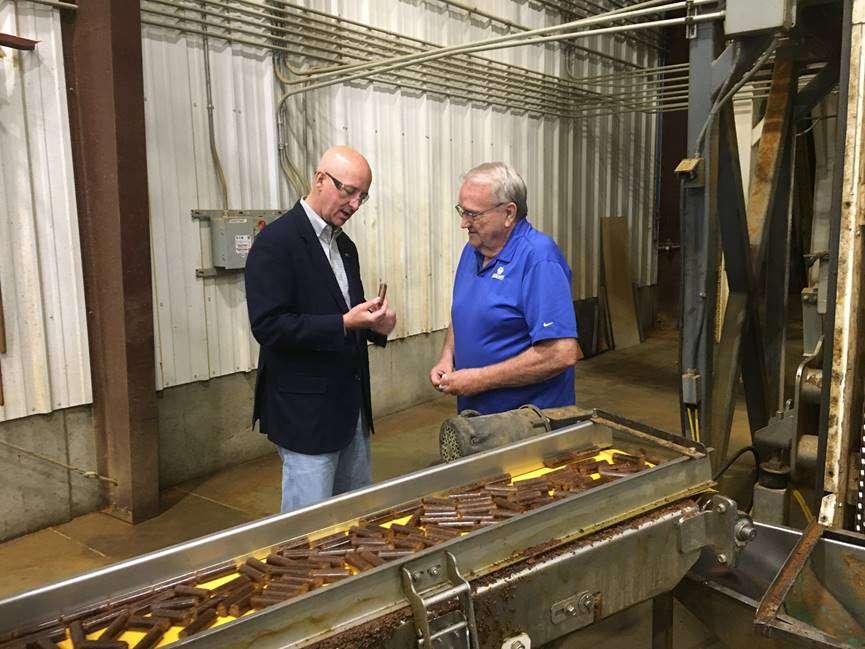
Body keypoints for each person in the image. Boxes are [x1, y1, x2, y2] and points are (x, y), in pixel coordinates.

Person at [245, 146, 396, 513]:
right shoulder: (276, 243)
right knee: (307, 533)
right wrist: (344, 323)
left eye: (363, 195)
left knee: (355, 518)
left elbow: (350, 317)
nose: (355, 204)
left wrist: (377, 327)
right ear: (320, 179)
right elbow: (269, 326)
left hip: (350, 409)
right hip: (305, 414)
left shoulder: (345, 247)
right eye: (348, 191)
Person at [429, 162, 581, 415]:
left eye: (473, 214)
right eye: (461, 211)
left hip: (526, 424)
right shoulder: (473, 250)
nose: (463, 223)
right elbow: (464, 313)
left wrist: (480, 379)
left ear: (509, 213)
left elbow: (560, 354)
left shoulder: (539, 259)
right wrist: (448, 357)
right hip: (479, 417)